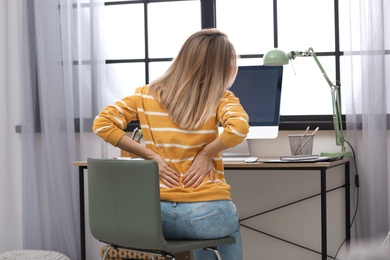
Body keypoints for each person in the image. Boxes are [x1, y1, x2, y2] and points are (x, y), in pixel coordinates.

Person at [93, 28, 249, 259]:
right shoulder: (221, 97)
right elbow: (239, 129)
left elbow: (102, 123)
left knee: (203, 237)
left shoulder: (144, 95)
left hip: (153, 217)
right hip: (204, 217)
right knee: (229, 227)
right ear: (222, 66)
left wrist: (150, 156)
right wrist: (207, 153)